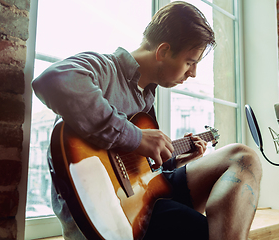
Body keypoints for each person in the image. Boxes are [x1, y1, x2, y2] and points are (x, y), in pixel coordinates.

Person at [32, 1, 262, 239]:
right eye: (190, 62)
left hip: (146, 200)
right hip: (108, 215)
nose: (192, 73)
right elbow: (52, 81)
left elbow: (141, 174)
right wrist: (137, 137)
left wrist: (174, 161)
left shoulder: (147, 101)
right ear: (162, 51)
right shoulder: (105, 68)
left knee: (244, 158)